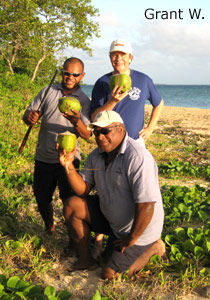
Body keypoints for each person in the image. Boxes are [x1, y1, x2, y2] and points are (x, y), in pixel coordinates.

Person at [58, 110, 165, 279]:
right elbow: (83, 189)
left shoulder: (138, 157)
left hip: (139, 230)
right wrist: (68, 166)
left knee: (110, 274)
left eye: (105, 131)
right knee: (73, 205)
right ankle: (85, 260)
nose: (100, 137)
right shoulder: (96, 155)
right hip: (113, 222)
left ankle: (154, 247)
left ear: (121, 130)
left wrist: (131, 238)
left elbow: (147, 204)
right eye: (96, 132)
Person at [91, 38, 164, 256]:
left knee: (140, 190)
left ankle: (145, 237)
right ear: (110, 57)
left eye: (123, 55)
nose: (118, 58)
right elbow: (94, 116)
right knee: (106, 191)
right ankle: (98, 241)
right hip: (108, 143)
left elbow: (158, 103)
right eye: (114, 54)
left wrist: (150, 128)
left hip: (134, 145)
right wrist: (112, 101)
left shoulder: (142, 80)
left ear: (130, 58)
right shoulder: (103, 83)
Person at [22, 57, 91, 235]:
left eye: (74, 74)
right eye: (66, 73)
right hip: (44, 155)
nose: (69, 77)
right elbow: (28, 114)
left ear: (81, 76)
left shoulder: (84, 101)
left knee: (69, 199)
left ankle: (72, 237)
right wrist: (29, 117)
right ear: (62, 72)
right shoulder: (48, 91)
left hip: (69, 159)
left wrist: (77, 122)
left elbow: (87, 135)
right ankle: (49, 226)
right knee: (41, 197)